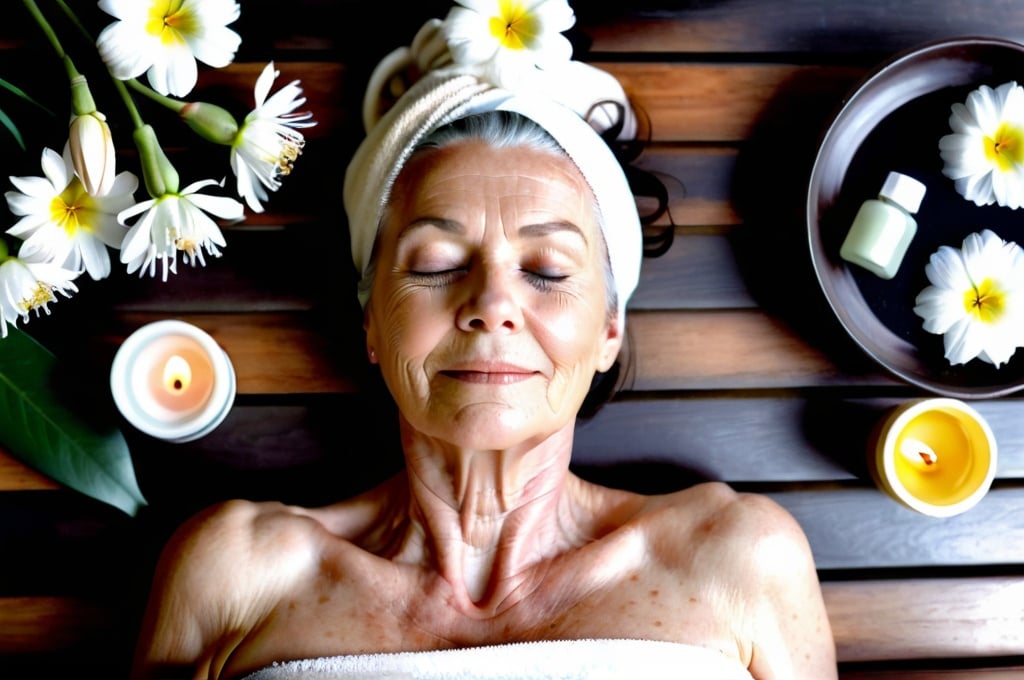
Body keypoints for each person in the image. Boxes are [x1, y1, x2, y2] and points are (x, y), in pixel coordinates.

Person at [130, 3, 837, 678]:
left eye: (547, 270)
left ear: (609, 330)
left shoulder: (739, 559)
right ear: (372, 320)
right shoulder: (235, 574)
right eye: (438, 265)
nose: (493, 305)